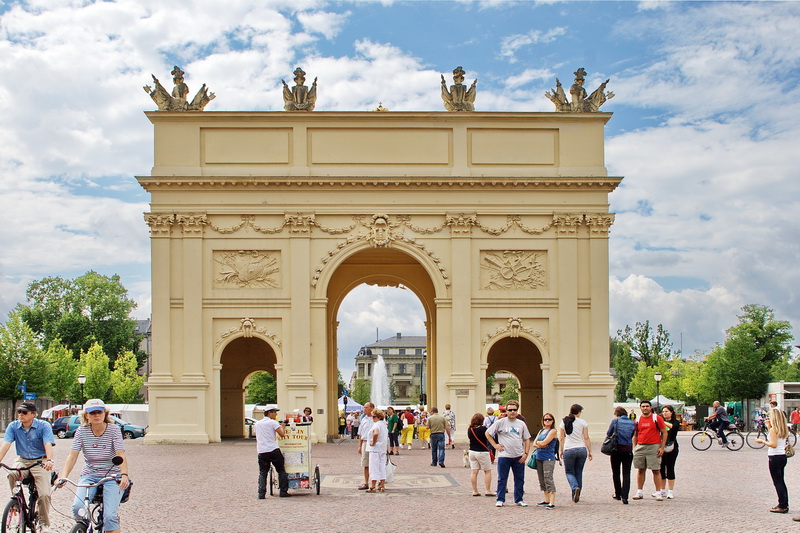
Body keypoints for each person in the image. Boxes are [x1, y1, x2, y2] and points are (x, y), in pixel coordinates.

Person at [58, 399, 130, 532]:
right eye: (92, 413)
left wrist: (124, 474)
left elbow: (121, 454)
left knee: (110, 517)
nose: (96, 416)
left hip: (112, 476)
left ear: (105, 414)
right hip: (89, 474)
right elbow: (72, 456)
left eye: (99, 412)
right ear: (86, 415)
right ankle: (85, 527)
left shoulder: (114, 430)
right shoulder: (81, 431)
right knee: (77, 508)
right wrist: (63, 477)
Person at [0, 401, 56, 533]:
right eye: (19, 411)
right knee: (12, 473)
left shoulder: (44, 426)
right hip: (23, 459)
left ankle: (44, 524)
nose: (20, 414)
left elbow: (48, 444)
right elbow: (6, 445)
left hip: (40, 461)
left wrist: (49, 460)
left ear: (33, 415)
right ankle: (17, 501)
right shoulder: (13, 426)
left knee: (44, 495)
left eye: (24, 412)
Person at [486, 399, 531, 507]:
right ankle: (500, 499)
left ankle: (519, 499)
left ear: (517, 411)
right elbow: (487, 433)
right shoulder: (500, 422)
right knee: (502, 478)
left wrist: (525, 453)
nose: (512, 412)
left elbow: (527, 439)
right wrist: (495, 445)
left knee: (519, 479)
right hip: (504, 456)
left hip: (518, 455)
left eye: (514, 410)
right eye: (510, 410)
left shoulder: (521, 424)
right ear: (506, 410)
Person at [631, 400, 667, 501]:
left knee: (656, 470)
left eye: (647, 406)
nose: (645, 408)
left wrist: (662, 447)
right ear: (640, 408)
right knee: (640, 469)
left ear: (651, 407)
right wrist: (635, 447)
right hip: (640, 446)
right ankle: (639, 491)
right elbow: (636, 434)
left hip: (654, 446)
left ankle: (658, 492)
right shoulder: (637, 419)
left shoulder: (657, 418)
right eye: (643, 406)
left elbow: (664, 432)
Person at [250, 406, 288, 498]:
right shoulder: (273, 422)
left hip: (262, 451)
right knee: (281, 470)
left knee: (263, 472)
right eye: (275, 412)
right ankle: (283, 492)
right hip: (273, 449)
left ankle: (261, 493)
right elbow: (282, 434)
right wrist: (282, 426)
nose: (276, 414)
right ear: (269, 413)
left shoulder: (258, 423)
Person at [757, 407, 789, 513]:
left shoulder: (773, 430)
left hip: (774, 457)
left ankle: (782, 505)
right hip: (782, 456)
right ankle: (784, 503)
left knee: (777, 482)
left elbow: (773, 444)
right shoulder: (783, 428)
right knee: (781, 481)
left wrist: (762, 441)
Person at [559, 403, 592, 503]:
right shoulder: (583, 422)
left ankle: (574, 487)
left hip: (569, 449)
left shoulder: (563, 422)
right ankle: (576, 495)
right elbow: (586, 437)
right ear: (578, 412)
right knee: (579, 472)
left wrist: (561, 450)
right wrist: (590, 451)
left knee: (569, 472)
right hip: (581, 449)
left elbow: (561, 438)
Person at [607, 406, 636, 504]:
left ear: (616, 414)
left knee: (616, 472)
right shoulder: (632, 423)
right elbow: (632, 434)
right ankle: (625, 496)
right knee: (627, 473)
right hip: (628, 449)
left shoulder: (615, 421)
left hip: (616, 449)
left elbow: (609, 433)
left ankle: (618, 494)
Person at [532, 412, 558, 510]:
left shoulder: (553, 431)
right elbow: (534, 443)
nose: (547, 421)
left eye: (549, 419)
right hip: (539, 457)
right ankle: (546, 499)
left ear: (553, 421)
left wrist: (539, 443)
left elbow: (544, 442)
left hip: (548, 458)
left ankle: (552, 501)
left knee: (548, 478)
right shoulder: (541, 430)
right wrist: (540, 444)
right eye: (545, 419)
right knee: (541, 479)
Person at [467, 413, 494, 497]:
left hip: (472, 451)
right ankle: (487, 490)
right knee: (487, 471)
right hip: (482, 451)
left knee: (474, 471)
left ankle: (475, 490)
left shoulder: (470, 429)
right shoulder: (483, 429)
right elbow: (489, 437)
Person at [658, 405, 680, 500]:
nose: (664, 413)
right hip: (661, 447)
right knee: (661, 468)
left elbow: (674, 427)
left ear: (671, 412)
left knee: (670, 468)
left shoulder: (675, 422)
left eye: (666, 411)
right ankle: (662, 489)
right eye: (663, 411)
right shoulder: (660, 421)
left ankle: (670, 491)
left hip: (672, 447)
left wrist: (662, 422)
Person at [366, 409, 389, 493]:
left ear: (378, 417)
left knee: (373, 467)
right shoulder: (384, 424)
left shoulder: (377, 425)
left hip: (375, 449)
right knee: (382, 466)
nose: (372, 418)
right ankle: (382, 484)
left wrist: (373, 442)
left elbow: (376, 433)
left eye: (374, 416)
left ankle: (373, 486)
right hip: (382, 448)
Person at [356, 402, 375, 490]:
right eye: (364, 408)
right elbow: (360, 433)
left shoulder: (377, 419)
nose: (364, 409)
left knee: (375, 463)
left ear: (372, 408)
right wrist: (360, 446)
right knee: (365, 463)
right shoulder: (363, 419)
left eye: (366, 407)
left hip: (374, 443)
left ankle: (375, 483)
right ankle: (366, 482)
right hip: (365, 442)